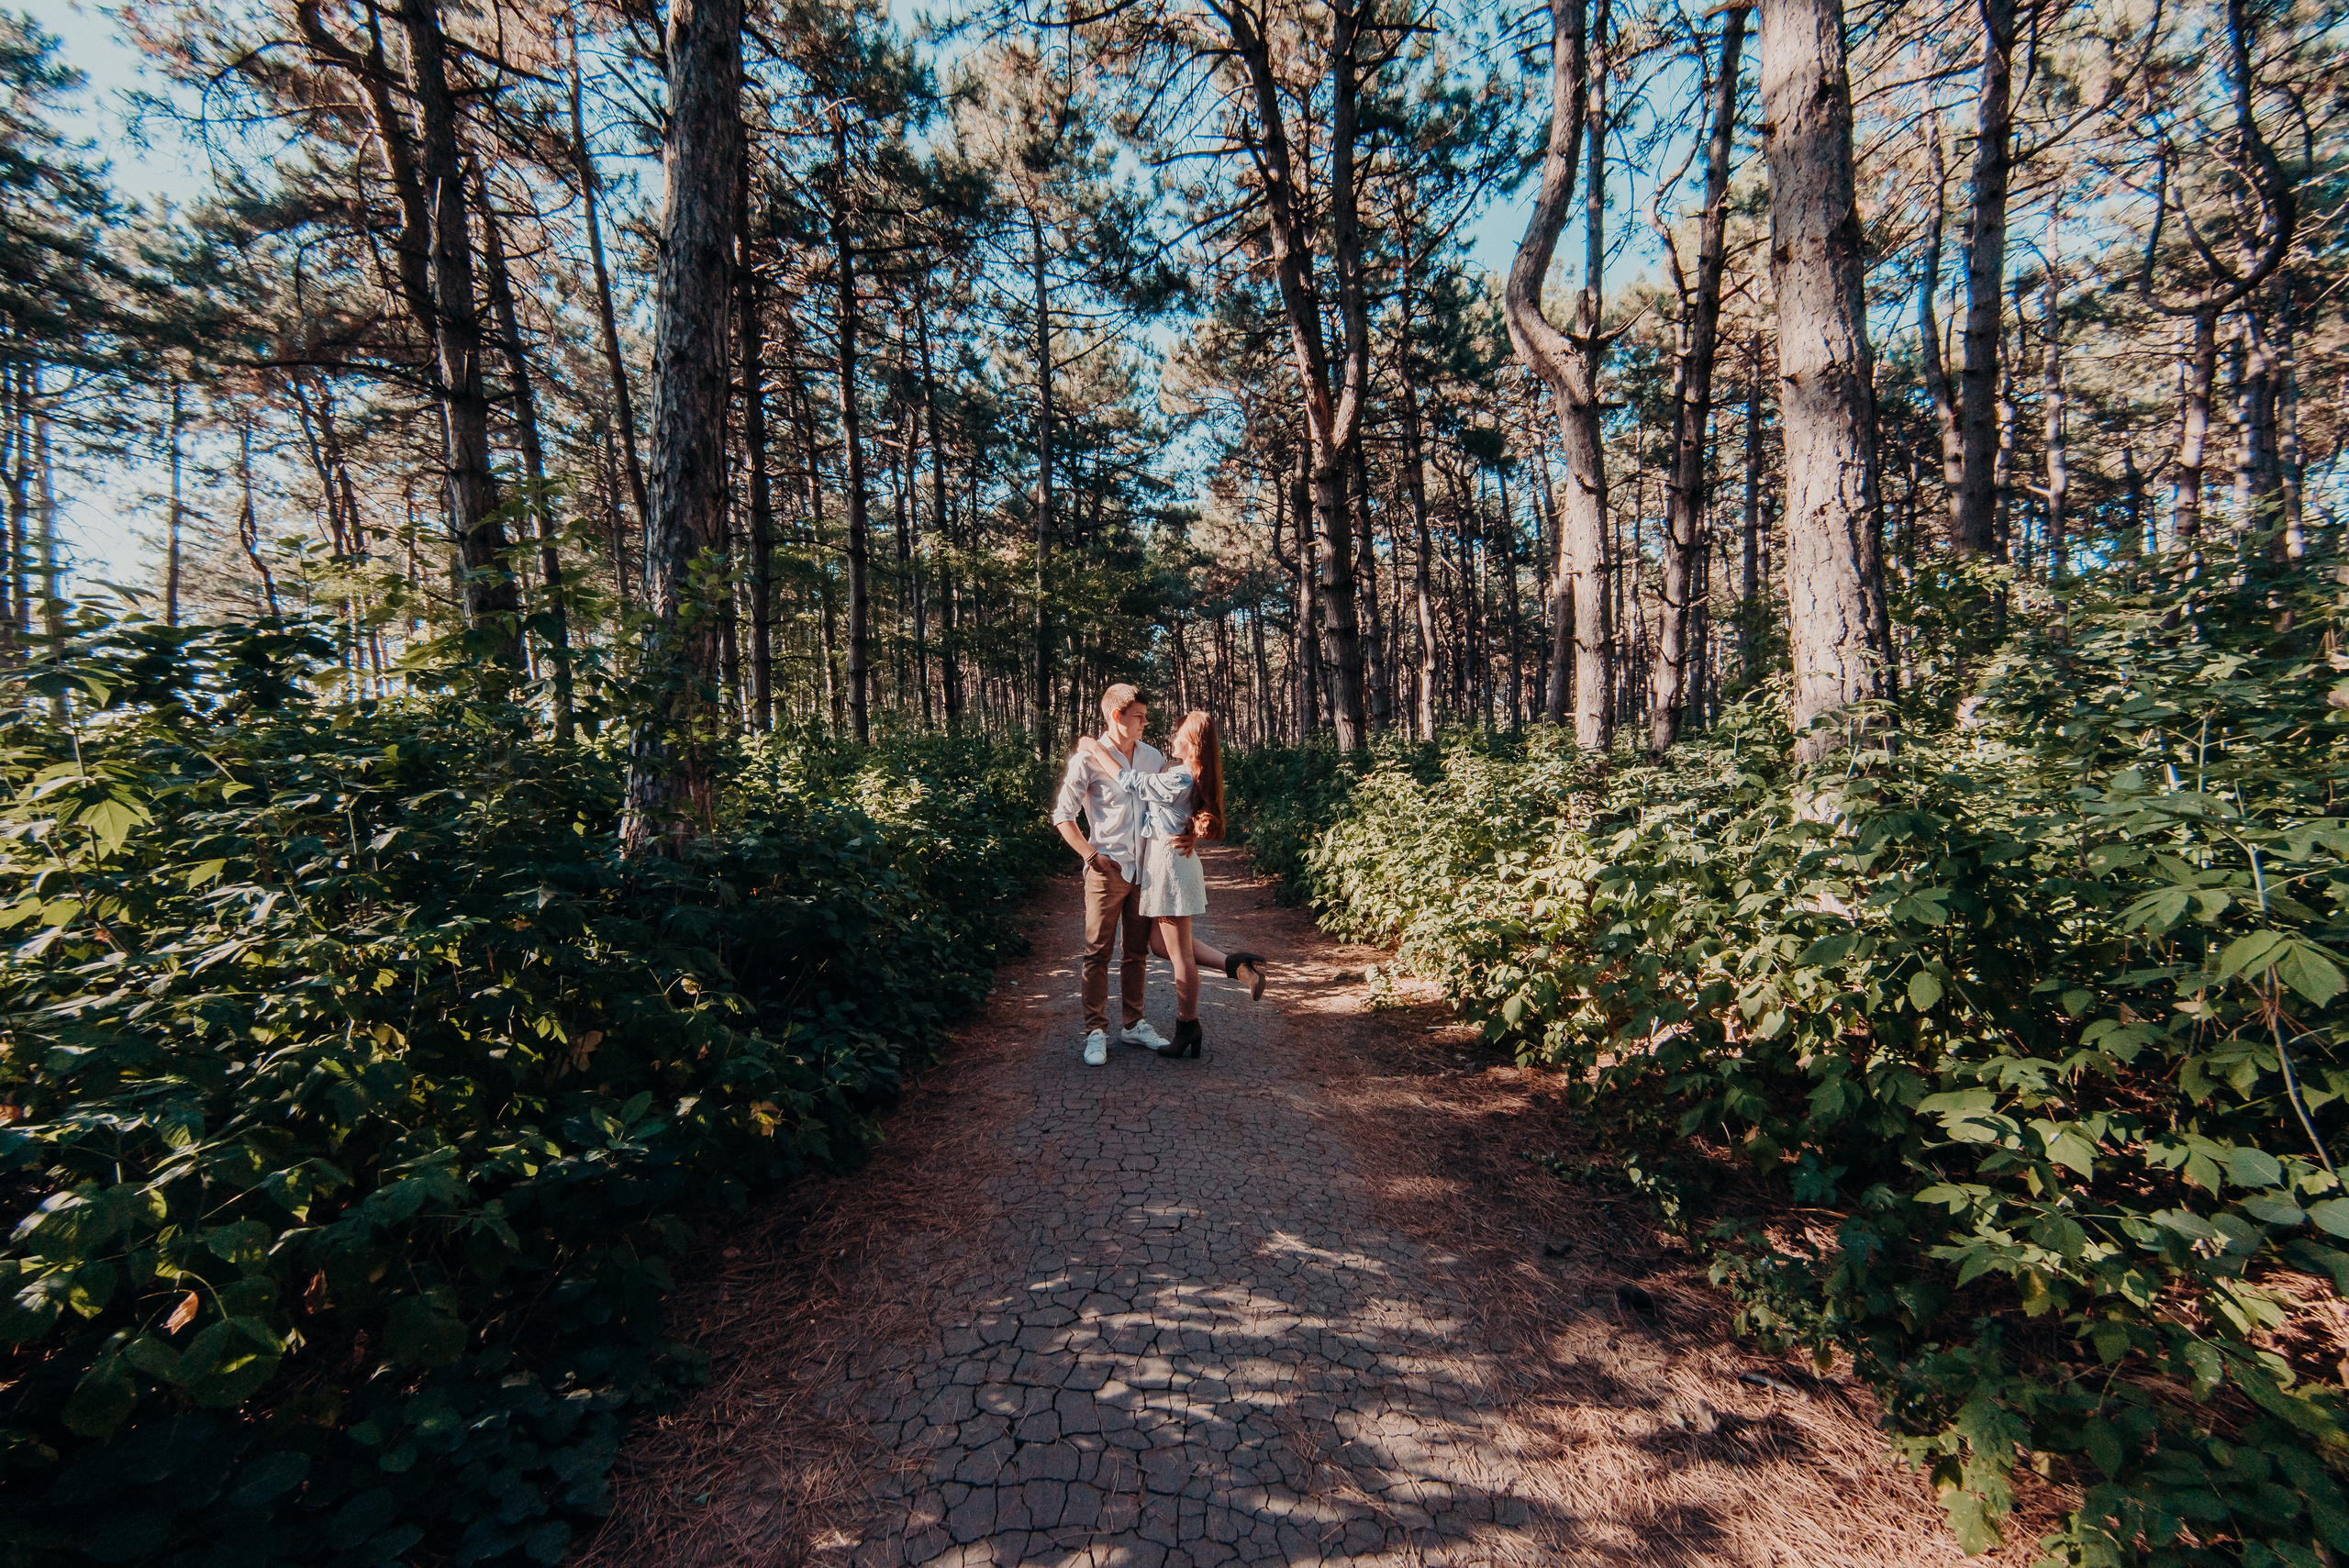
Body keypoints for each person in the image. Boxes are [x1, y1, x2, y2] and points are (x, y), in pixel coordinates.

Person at [1075, 709, 1264, 1060]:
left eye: (1178, 734)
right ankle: (1234, 964)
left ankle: (1187, 1026)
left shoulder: (1180, 777)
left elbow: (1130, 781)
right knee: (1160, 944)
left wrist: (1092, 746)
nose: (1170, 738)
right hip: (1166, 861)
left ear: (1191, 744)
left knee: (1178, 955)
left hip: (1169, 866)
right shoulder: (1181, 772)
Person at [1051, 684, 1180, 1065]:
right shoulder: (1087, 760)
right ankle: (1095, 1030)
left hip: (1147, 869)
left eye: (1144, 715)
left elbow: (1169, 801)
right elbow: (1063, 816)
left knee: (1136, 952)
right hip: (1107, 871)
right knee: (1097, 951)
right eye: (1138, 716)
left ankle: (1133, 1023)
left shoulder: (1153, 757)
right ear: (1116, 717)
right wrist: (1091, 855)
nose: (1145, 722)